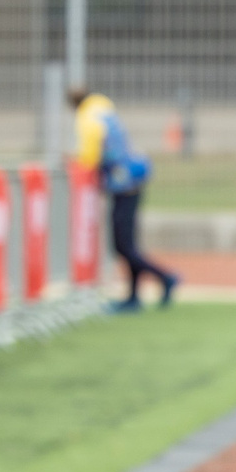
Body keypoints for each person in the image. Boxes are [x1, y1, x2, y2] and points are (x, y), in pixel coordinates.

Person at [74, 82, 177, 311]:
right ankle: (134, 296)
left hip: (123, 185)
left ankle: (165, 277)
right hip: (130, 181)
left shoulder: (88, 118)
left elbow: (89, 156)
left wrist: (79, 165)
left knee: (124, 246)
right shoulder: (104, 111)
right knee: (127, 245)